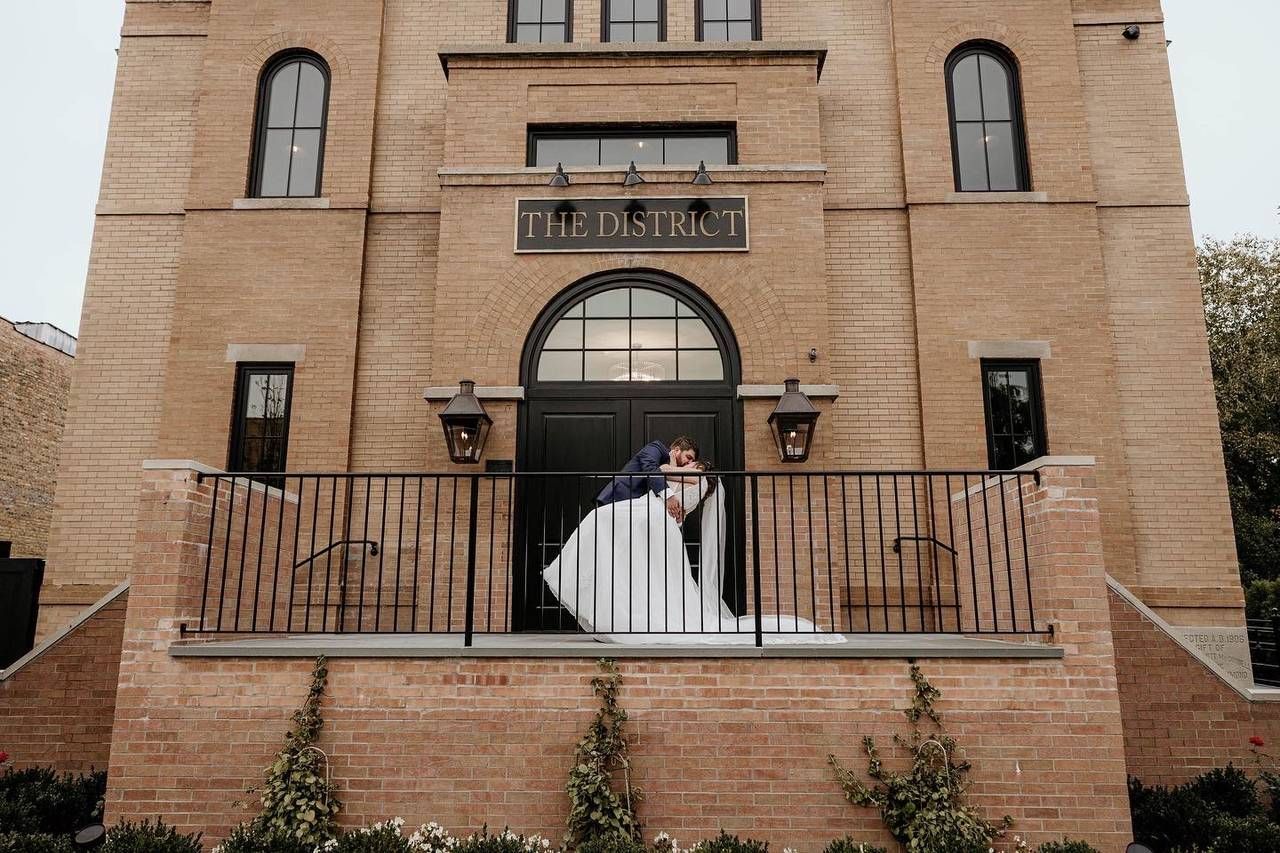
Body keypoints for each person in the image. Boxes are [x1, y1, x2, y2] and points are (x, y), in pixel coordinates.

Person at [595, 436, 699, 523]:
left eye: (692, 461)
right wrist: (669, 497)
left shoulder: (676, 470)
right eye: (688, 457)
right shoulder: (656, 447)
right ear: (676, 450)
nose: (689, 463)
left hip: (639, 512)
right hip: (619, 498)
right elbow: (649, 467)